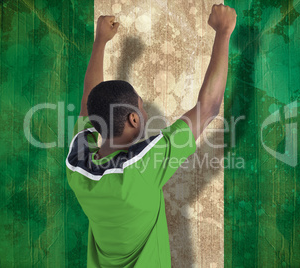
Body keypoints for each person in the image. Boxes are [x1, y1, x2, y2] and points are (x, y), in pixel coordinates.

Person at [65, 4, 236, 267]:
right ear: (133, 119)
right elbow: (209, 107)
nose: (144, 110)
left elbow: (89, 102)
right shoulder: (143, 166)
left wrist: (100, 42)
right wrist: (223, 31)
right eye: (141, 105)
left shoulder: (77, 166)